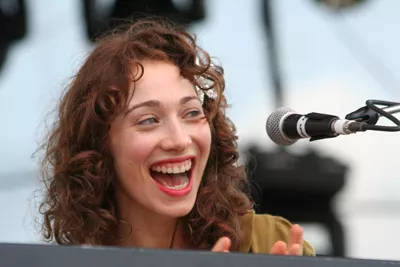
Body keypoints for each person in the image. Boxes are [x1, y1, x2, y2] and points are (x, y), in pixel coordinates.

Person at [38, 18, 314, 256]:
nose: (180, 140)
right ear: (99, 145)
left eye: (191, 113)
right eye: (149, 120)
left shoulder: (267, 242)